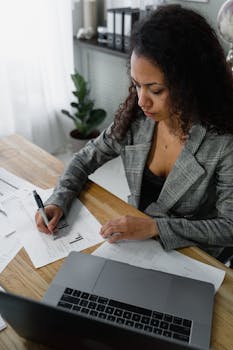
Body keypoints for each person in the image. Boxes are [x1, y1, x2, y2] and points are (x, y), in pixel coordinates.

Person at [35, 4, 233, 260]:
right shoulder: (137, 119)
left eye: (155, 89)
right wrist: (58, 200)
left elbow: (229, 228)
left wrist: (154, 227)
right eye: (137, 85)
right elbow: (85, 158)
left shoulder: (223, 142)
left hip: (193, 257)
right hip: (136, 247)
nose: (142, 101)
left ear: (189, 84)